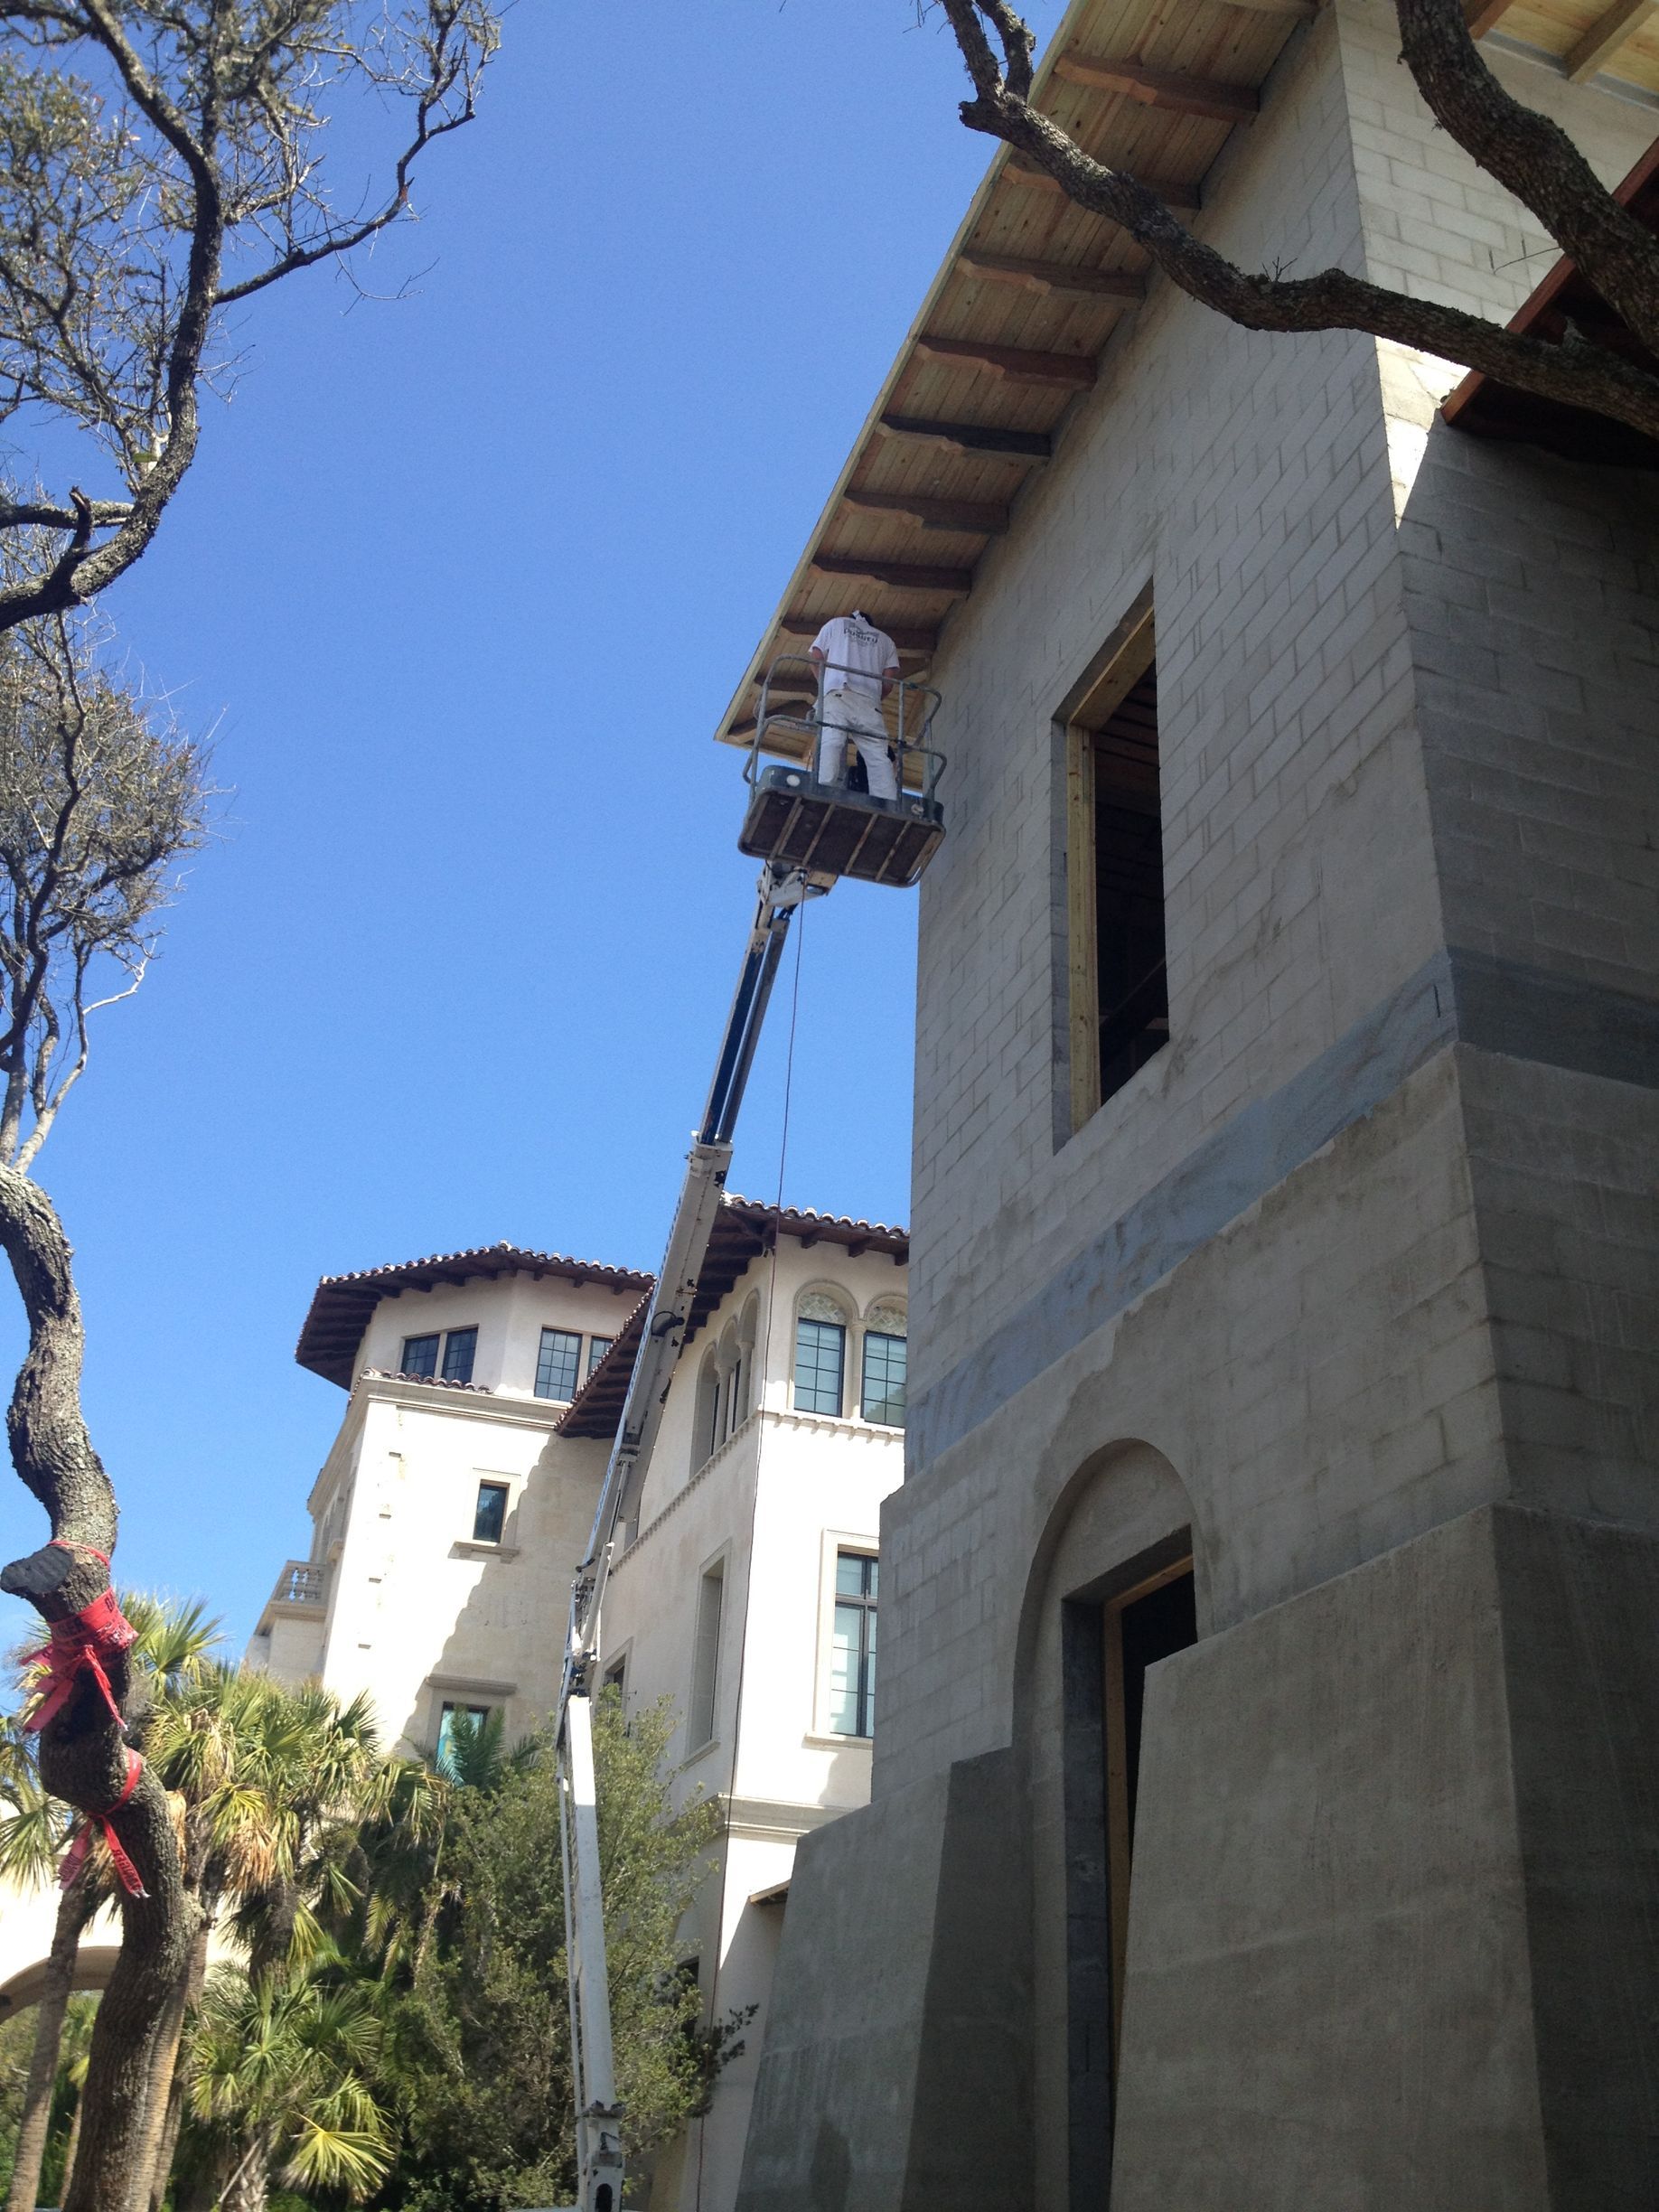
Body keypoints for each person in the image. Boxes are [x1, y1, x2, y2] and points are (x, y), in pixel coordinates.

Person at [809, 610, 901, 801]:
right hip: (869, 703)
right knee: (878, 756)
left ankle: (824, 788)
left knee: (832, 741)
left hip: (838, 692)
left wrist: (824, 685)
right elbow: (888, 684)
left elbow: (816, 655)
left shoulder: (836, 624)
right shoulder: (886, 641)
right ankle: (886, 800)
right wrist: (873, 698)